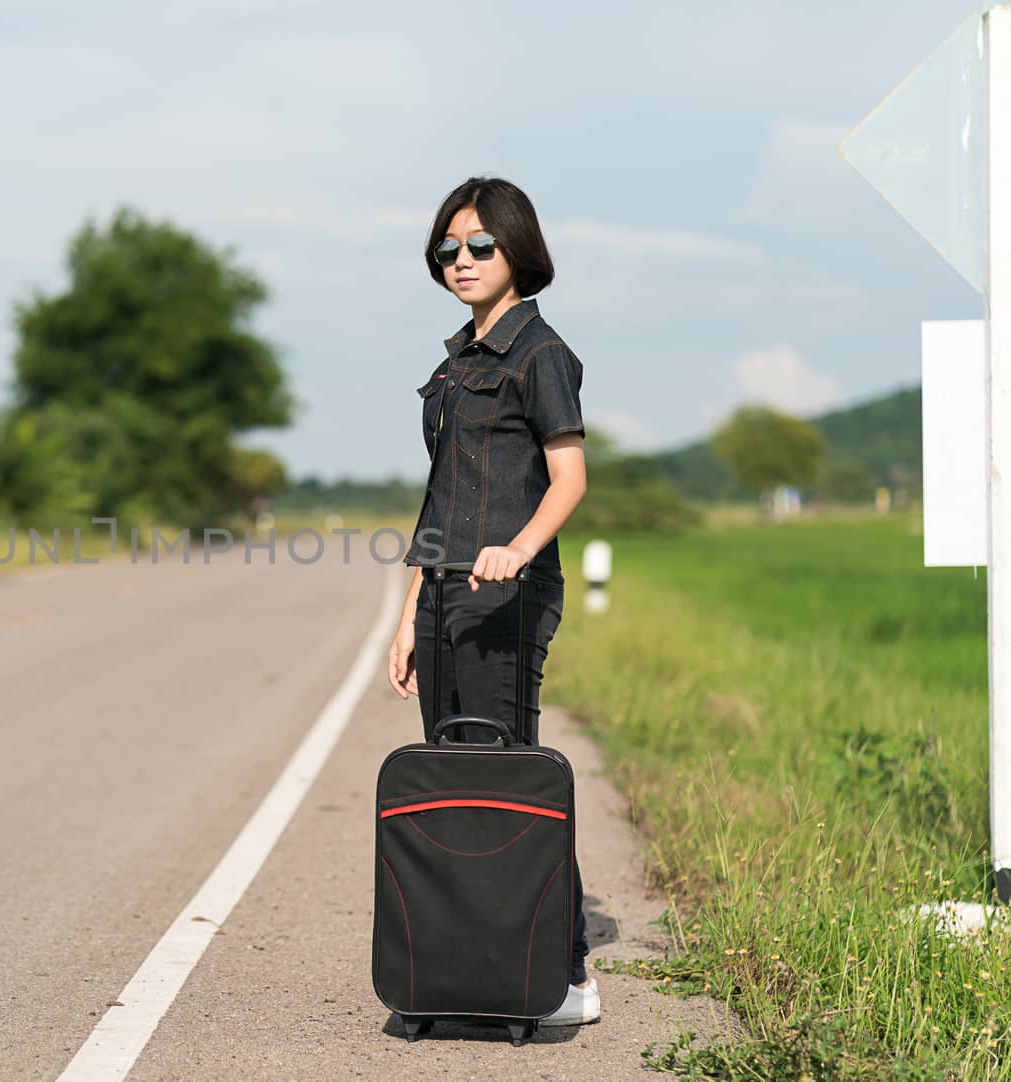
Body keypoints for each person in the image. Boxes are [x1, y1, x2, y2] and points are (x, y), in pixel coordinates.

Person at [385, 175, 598, 1028]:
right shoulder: (454, 363)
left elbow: (570, 478)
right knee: (447, 770)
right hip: (443, 591)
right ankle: (465, 966)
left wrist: (519, 548)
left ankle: (565, 969)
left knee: (510, 771)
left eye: (479, 246)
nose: (462, 261)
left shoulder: (542, 356)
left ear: (518, 251)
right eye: (449, 249)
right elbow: (441, 499)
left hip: (508, 594)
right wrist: (407, 615)